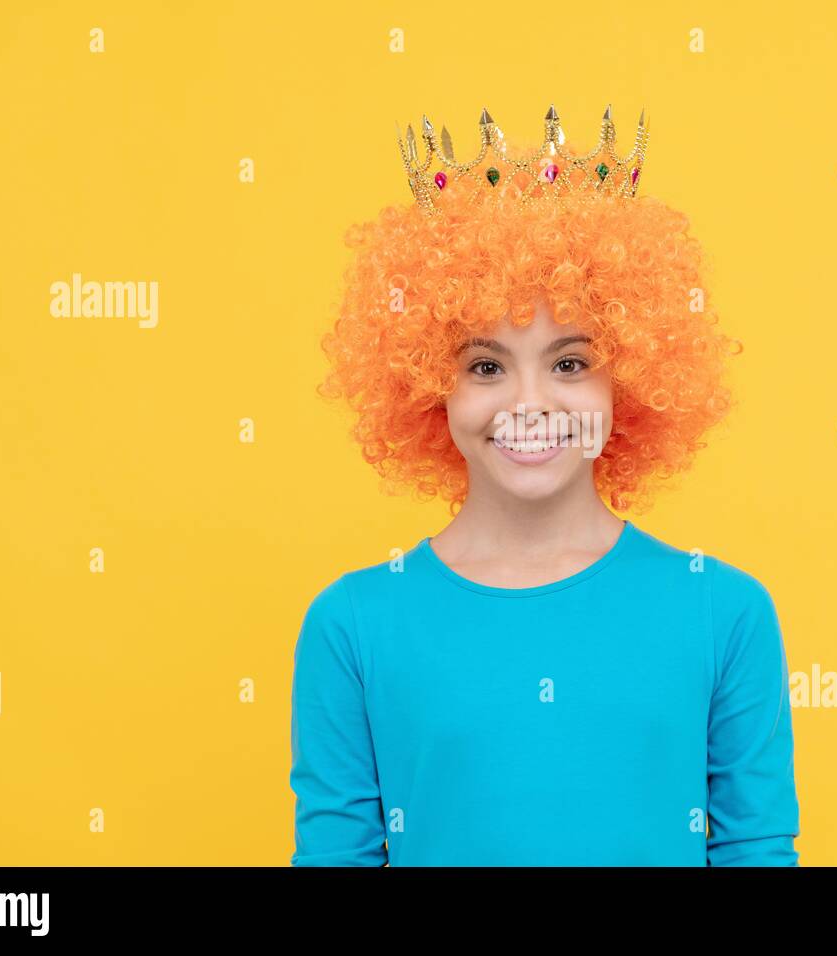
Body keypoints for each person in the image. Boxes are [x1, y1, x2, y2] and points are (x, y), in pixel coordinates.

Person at [290, 105, 800, 865]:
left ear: (628, 381)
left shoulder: (723, 612)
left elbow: (754, 851)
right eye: (486, 366)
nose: (529, 405)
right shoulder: (352, 626)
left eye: (569, 363)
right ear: (432, 389)